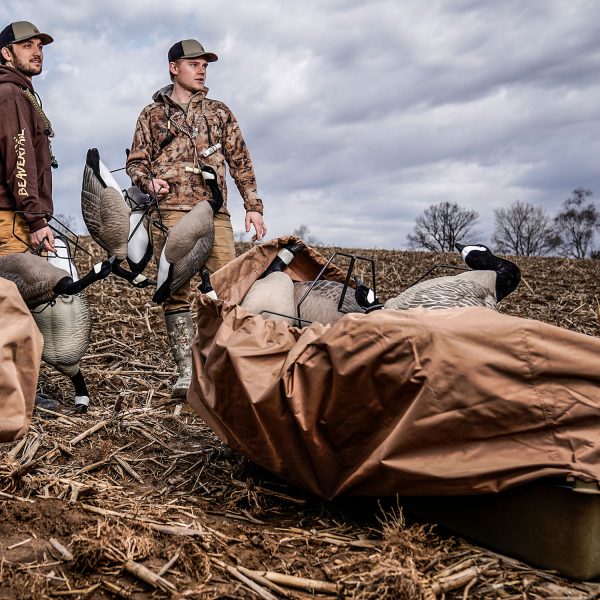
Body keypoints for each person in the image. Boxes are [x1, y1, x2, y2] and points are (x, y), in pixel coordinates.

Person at [126, 38, 267, 398]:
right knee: (176, 292)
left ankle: (228, 368)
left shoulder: (219, 112)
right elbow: (136, 161)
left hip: (215, 212)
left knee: (229, 288)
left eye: (205, 64)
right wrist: (147, 179)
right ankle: (187, 373)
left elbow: (241, 161)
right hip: (171, 212)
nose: (202, 69)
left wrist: (253, 205)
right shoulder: (152, 114)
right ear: (174, 67)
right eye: (194, 63)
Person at [0, 21, 57, 411]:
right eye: (27, 45)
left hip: (14, 215)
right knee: (13, 310)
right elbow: (18, 161)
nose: (36, 51)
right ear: (6, 53)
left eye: (39, 45)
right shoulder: (11, 96)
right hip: (12, 220)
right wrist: (36, 220)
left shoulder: (18, 93)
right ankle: (19, 395)